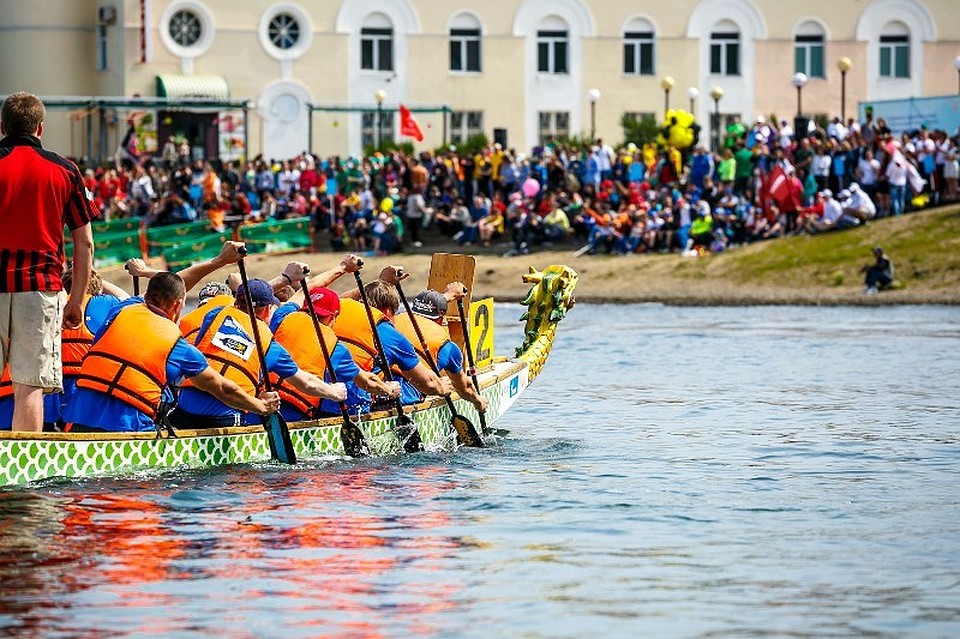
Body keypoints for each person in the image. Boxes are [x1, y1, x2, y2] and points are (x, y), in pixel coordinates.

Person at [63, 272, 281, 433]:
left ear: (147, 295)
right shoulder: (178, 345)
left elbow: (166, 284)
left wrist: (218, 262)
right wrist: (261, 406)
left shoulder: (121, 309)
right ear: (178, 306)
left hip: (78, 418)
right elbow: (224, 388)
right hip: (128, 427)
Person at [0, 92, 95, 432]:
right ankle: (21, 477)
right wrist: (77, 301)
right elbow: (84, 243)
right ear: (40, 128)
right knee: (28, 386)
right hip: (40, 289)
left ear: (2, 127)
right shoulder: (65, 170)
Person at [170, 278, 346, 428]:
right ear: (268, 309)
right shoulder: (270, 346)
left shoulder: (213, 315)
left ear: (236, 302)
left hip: (185, 408)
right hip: (225, 416)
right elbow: (306, 383)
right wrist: (333, 392)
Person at [269, 286, 400, 422]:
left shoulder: (282, 316)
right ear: (333, 316)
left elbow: (301, 291)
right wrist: (388, 389)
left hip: (261, 404)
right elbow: (367, 382)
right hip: (297, 415)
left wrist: (342, 268)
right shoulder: (334, 348)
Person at [335, 270, 453, 407]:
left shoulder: (336, 315)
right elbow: (428, 384)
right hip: (356, 404)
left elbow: (340, 300)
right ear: (387, 311)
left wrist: (380, 282)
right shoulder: (392, 337)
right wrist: (442, 387)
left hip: (319, 399)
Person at [392, 286, 488, 414]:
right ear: (441, 319)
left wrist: (448, 296)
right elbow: (464, 388)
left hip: (376, 388)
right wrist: (478, 400)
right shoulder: (447, 347)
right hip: (407, 397)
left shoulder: (393, 320)